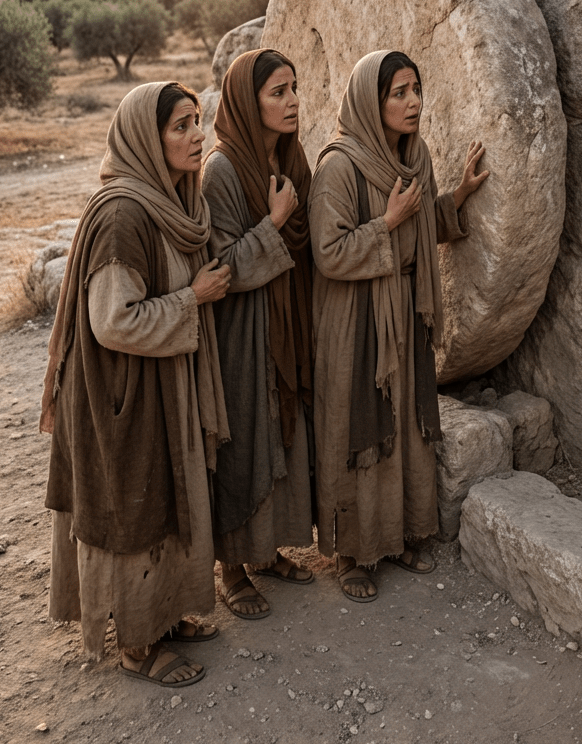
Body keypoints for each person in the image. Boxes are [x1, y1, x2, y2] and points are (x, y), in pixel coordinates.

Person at [41, 82, 231, 686]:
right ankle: (136, 643)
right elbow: (112, 320)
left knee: (165, 501)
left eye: (197, 122)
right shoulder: (124, 215)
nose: (196, 135)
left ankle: (165, 617)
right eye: (180, 126)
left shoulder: (168, 203)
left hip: (158, 380)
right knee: (134, 507)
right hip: (122, 391)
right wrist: (191, 298)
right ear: (146, 138)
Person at [308, 49, 488, 601]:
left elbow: (416, 225)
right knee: (357, 424)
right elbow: (329, 252)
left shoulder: (416, 155)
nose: (413, 103)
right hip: (355, 318)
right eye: (398, 93)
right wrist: (386, 222)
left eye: (415, 89)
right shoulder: (339, 166)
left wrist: (455, 196)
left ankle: (399, 533)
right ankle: (352, 553)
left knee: (405, 421)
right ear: (371, 100)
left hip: (403, 311)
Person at [202, 49, 316, 618]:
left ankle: (267, 552)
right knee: (246, 436)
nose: (292, 100)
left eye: (294, 87)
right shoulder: (221, 171)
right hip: (241, 330)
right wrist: (271, 223)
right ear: (249, 102)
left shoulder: (294, 163)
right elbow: (222, 267)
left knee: (284, 430)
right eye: (278, 91)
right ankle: (233, 567)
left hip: (288, 317)